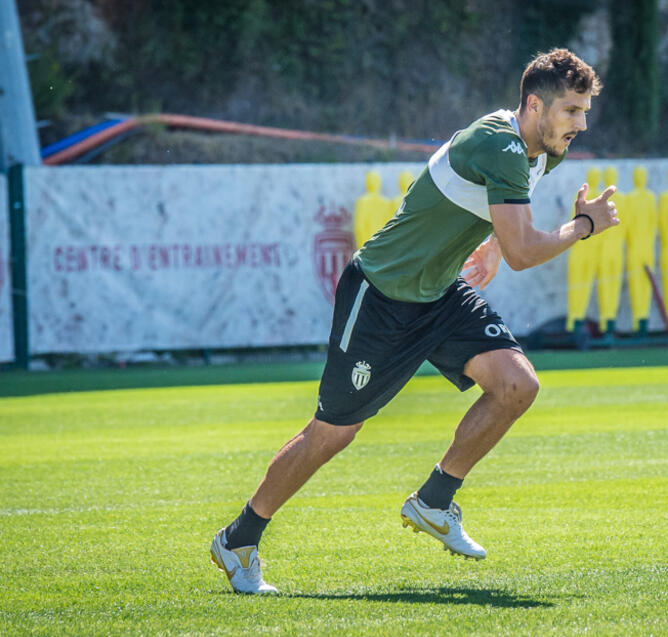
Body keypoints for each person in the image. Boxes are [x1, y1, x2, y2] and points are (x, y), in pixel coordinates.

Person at [209, 48, 619, 594]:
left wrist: (494, 244)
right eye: (571, 110)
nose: (581, 124)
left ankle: (434, 500)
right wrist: (582, 227)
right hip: (380, 295)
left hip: (440, 293)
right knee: (332, 433)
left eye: (585, 111)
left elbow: (505, 224)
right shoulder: (499, 145)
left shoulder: (544, 148)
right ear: (534, 104)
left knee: (517, 385)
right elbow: (524, 251)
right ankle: (238, 538)